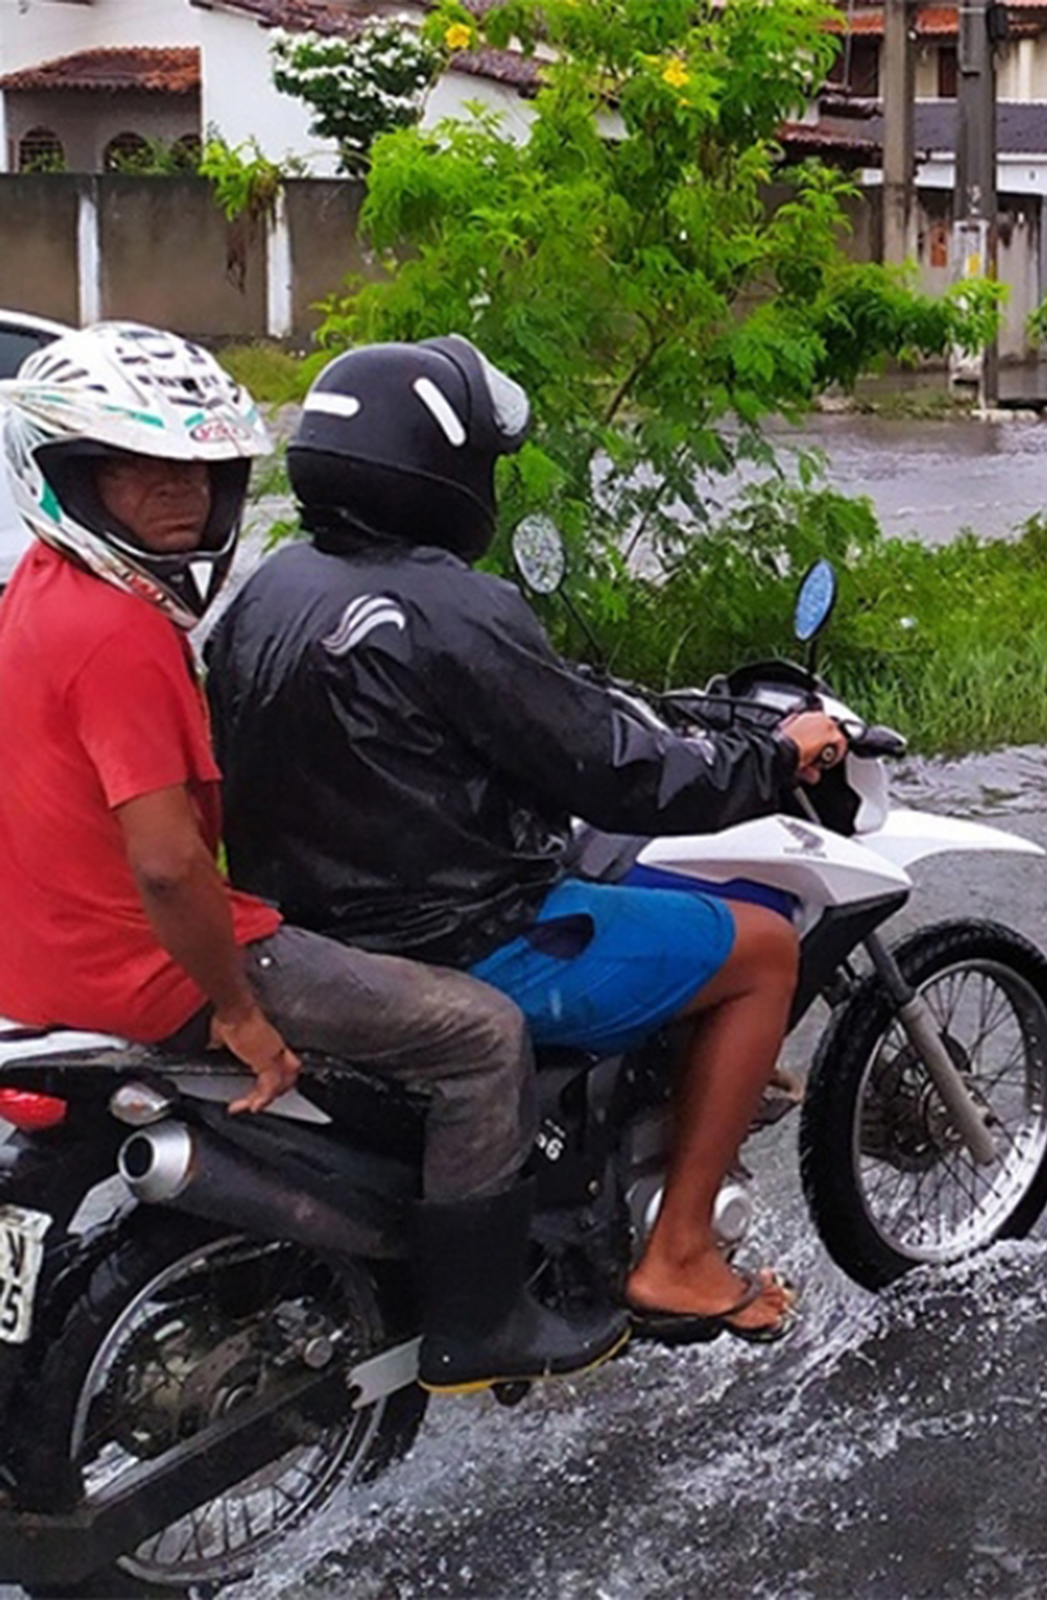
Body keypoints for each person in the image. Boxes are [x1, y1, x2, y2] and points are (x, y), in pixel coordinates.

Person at [0, 321, 624, 1392]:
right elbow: (164, 867)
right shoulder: (123, 636)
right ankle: (477, 1326)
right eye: (141, 469)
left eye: (202, 469)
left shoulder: (37, 597)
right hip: (149, 963)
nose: (183, 496)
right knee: (482, 1036)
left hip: (42, 965)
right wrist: (236, 1005)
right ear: (70, 475)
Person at [205, 335, 850, 1344]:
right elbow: (620, 770)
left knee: (628, 877)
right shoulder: (453, 605)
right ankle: (680, 1252)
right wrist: (770, 758)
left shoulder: (271, 591)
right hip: (464, 937)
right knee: (762, 947)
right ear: (438, 467)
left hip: (318, 935)